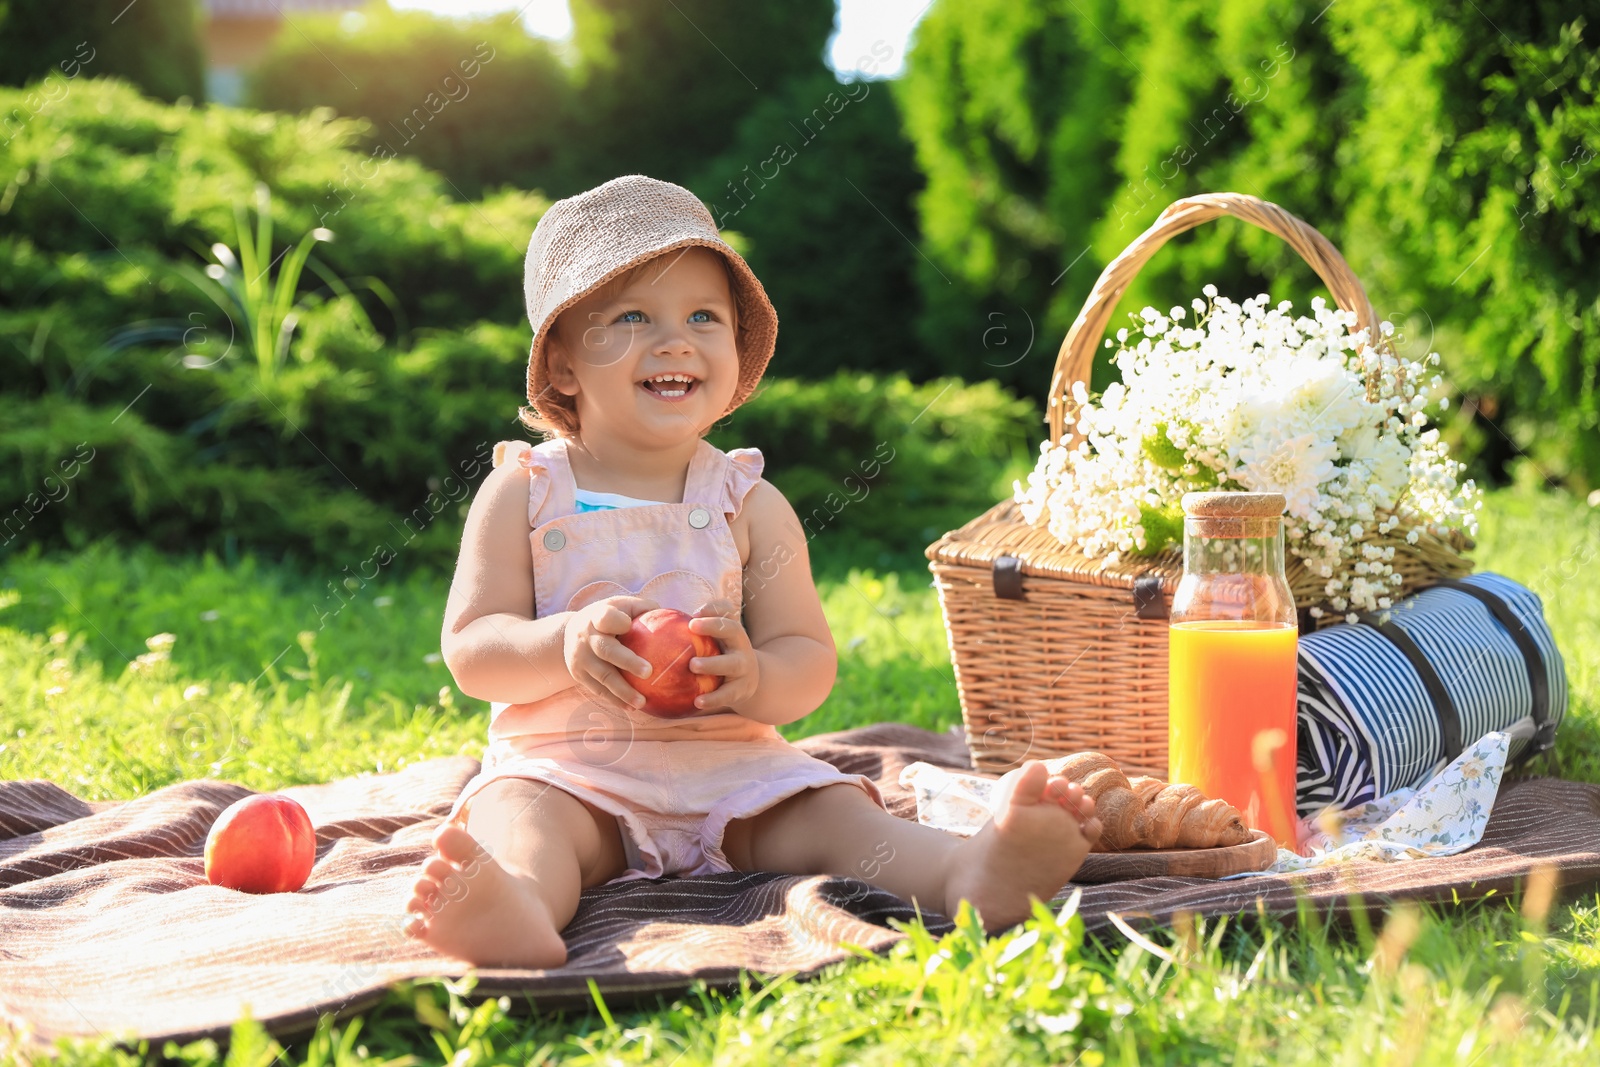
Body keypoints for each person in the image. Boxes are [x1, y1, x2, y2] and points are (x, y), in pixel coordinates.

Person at [402, 175, 1102, 968]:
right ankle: (516, 904)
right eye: (632, 316)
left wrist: (754, 675)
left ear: (736, 353)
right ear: (562, 365)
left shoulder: (748, 501)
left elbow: (807, 656)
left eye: (704, 316)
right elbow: (472, 647)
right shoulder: (524, 490)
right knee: (523, 820)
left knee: (837, 814)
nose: (675, 340)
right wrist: (563, 642)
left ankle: (965, 869)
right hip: (571, 771)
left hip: (735, 771)